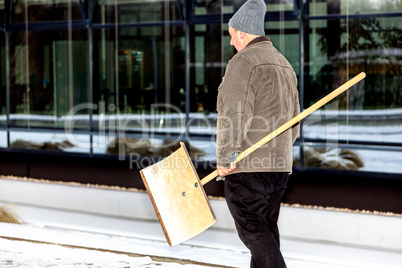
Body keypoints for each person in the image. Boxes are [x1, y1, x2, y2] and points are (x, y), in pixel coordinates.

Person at [215, 0, 300, 267]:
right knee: (265, 233)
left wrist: (226, 157)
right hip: (278, 168)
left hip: (248, 166)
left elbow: (234, 114)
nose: (231, 43)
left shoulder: (243, 62)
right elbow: (294, 121)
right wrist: (280, 151)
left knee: (253, 229)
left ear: (241, 32)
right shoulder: (283, 63)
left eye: (231, 36)